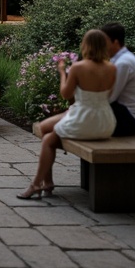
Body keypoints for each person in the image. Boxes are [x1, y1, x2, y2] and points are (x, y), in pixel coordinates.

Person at [18, 29, 117, 199]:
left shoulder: (79, 67)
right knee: (44, 127)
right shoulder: (112, 68)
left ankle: (37, 184)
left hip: (84, 118)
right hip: (105, 121)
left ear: (86, 45)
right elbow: (109, 95)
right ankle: (45, 183)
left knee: (48, 139)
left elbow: (65, 94)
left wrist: (63, 72)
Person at [102, 21, 135, 136]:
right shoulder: (118, 59)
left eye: (104, 41)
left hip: (129, 119)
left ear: (115, 42)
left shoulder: (123, 63)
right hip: (122, 113)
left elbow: (111, 97)